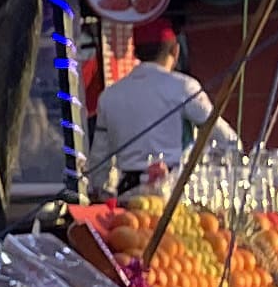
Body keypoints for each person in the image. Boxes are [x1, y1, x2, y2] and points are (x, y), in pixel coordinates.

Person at [89, 23, 214, 195]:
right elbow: (222, 137)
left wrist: (101, 192)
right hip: (175, 195)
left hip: (128, 195)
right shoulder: (184, 87)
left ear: (134, 52)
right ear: (175, 50)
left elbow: (98, 162)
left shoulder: (109, 96)